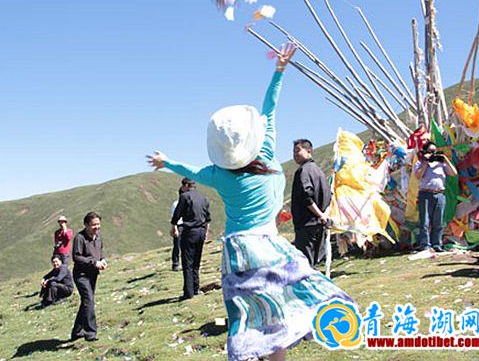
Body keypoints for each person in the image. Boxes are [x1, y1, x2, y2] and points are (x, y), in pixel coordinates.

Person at [148, 44, 353, 361]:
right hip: (268, 243)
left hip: (239, 249)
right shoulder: (268, 153)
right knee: (281, 308)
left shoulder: (218, 174)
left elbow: (189, 171)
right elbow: (270, 106)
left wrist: (166, 162)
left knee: (249, 314)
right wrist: (279, 69)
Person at [291, 139, 332, 269]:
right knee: (314, 263)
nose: (295, 154)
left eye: (298, 150)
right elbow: (329, 197)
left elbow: (306, 196)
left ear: (308, 151)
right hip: (320, 224)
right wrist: (324, 216)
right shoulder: (319, 171)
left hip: (307, 223)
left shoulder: (303, 171)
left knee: (305, 266)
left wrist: (320, 214)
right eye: (293, 152)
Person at [170, 178, 211, 300]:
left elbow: (177, 213)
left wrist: (173, 225)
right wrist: (206, 232)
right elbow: (208, 217)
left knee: (187, 262)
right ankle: (196, 288)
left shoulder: (185, 197)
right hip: (201, 231)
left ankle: (189, 292)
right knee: (196, 262)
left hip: (189, 231)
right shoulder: (203, 197)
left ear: (186, 186)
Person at [413, 141, 457, 252]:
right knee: (425, 221)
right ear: (425, 152)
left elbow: (453, 173)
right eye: (430, 151)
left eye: (434, 151)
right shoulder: (419, 163)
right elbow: (418, 175)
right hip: (425, 194)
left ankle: (437, 244)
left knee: (438, 221)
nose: (433, 153)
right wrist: (425, 162)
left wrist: (444, 158)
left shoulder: (440, 164)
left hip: (439, 194)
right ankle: (425, 245)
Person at [71, 212, 107, 342]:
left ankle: (77, 331)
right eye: (93, 225)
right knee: (89, 300)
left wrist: (102, 260)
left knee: (86, 302)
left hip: (93, 275)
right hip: (81, 275)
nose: (96, 227)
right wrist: (94, 262)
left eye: (98, 224)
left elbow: (100, 252)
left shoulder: (98, 238)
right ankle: (90, 332)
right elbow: (77, 257)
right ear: (86, 225)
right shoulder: (79, 238)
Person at [170, 187, 186, 271]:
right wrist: (175, 228)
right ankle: (175, 263)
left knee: (186, 246)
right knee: (177, 245)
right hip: (179, 225)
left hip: (186, 225)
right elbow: (174, 217)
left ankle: (185, 263)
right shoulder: (176, 204)